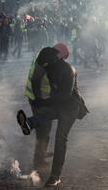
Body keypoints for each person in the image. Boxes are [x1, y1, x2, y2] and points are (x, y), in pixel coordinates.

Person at [17, 43, 83, 187]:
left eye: (46, 65)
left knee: (60, 138)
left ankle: (55, 175)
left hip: (70, 107)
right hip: (57, 103)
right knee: (44, 116)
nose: (44, 68)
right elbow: (41, 83)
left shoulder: (68, 70)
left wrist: (43, 102)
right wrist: (40, 102)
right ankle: (28, 123)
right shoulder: (49, 66)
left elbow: (65, 96)